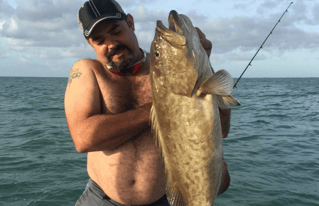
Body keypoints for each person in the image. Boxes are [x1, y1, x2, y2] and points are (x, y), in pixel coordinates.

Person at [64, 0, 231, 205]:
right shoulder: (88, 71)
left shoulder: (166, 66)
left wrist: (204, 63)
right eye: (99, 40)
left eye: (116, 31)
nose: (111, 44)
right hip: (101, 199)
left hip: (168, 199)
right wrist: (167, 105)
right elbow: (84, 139)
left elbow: (221, 129)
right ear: (90, 44)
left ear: (131, 23)